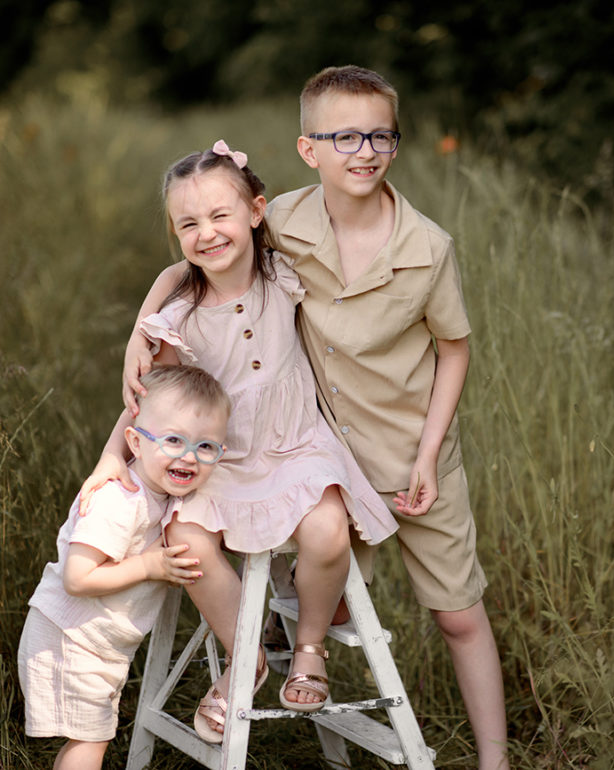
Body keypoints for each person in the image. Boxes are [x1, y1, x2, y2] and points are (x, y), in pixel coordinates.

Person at [121, 67, 510, 768]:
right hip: (320, 444)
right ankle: (278, 646)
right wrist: (141, 329)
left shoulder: (427, 248)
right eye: (344, 137)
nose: (365, 150)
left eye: (380, 136)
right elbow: (202, 256)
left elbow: (455, 348)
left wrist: (428, 454)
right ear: (309, 150)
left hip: (407, 452)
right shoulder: (284, 219)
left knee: (456, 613)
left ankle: (495, 758)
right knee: (324, 588)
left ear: (396, 141)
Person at [80, 140, 399, 741]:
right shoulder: (180, 315)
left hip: (295, 444)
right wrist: (108, 457)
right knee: (185, 540)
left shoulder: (282, 270)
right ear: (175, 234)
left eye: (220, 215)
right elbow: (154, 400)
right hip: (219, 459)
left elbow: (328, 220)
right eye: (188, 224)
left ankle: (308, 649)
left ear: (255, 211)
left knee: (327, 526)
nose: (206, 233)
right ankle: (245, 656)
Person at [18, 364, 230, 770]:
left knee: (90, 738)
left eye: (206, 447)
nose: (189, 456)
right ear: (134, 441)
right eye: (173, 440)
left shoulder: (161, 493)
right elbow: (77, 578)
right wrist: (147, 566)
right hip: (69, 637)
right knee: (90, 742)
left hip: (97, 642)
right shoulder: (119, 499)